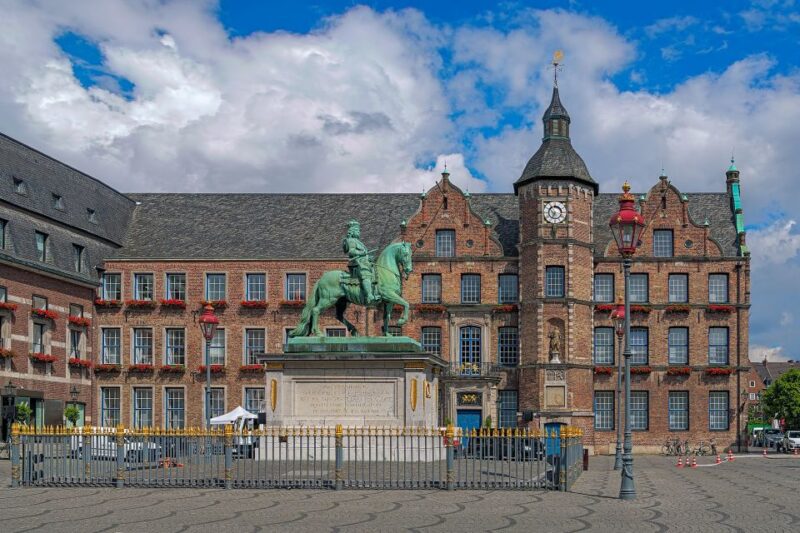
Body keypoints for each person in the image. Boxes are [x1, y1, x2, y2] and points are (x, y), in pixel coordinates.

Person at [342, 220, 377, 304]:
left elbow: (364, 255)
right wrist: (361, 253)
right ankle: (369, 295)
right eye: (357, 231)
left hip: (363, 262)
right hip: (356, 263)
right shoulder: (351, 241)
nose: (359, 232)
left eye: (359, 231)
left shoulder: (358, 242)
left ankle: (375, 291)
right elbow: (351, 251)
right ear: (352, 231)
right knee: (366, 274)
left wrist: (369, 258)